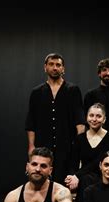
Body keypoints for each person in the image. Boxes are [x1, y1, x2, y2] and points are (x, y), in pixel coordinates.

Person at [25, 53, 86, 184]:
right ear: (45, 67)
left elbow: (80, 120)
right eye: (51, 64)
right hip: (43, 143)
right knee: (42, 180)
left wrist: (79, 144)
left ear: (63, 69)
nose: (55, 68)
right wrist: (31, 146)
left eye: (58, 65)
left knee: (64, 181)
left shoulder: (72, 90)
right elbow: (31, 122)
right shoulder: (37, 92)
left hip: (67, 144)